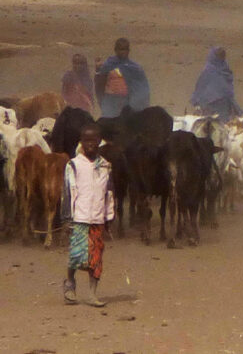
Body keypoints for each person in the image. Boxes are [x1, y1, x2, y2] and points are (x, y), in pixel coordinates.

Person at [62, 124, 114, 307]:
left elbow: (109, 194)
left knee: (96, 259)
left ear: (100, 142)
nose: (90, 144)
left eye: (94, 140)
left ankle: (92, 294)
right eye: (86, 140)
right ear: (81, 142)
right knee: (76, 256)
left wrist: (109, 218)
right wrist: (67, 219)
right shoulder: (74, 165)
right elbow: (68, 192)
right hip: (79, 218)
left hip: (98, 219)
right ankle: (69, 282)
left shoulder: (105, 166)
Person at [94, 38, 150, 118]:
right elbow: (99, 85)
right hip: (110, 102)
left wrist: (139, 104)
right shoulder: (108, 65)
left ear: (128, 51)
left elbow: (143, 88)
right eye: (120, 49)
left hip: (127, 102)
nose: (123, 52)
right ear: (115, 50)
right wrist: (98, 70)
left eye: (125, 49)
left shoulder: (135, 68)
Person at [190, 46, 243, 122]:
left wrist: (196, 102)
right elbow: (228, 90)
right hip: (224, 107)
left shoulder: (208, 71)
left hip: (209, 107)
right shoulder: (225, 69)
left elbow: (200, 89)